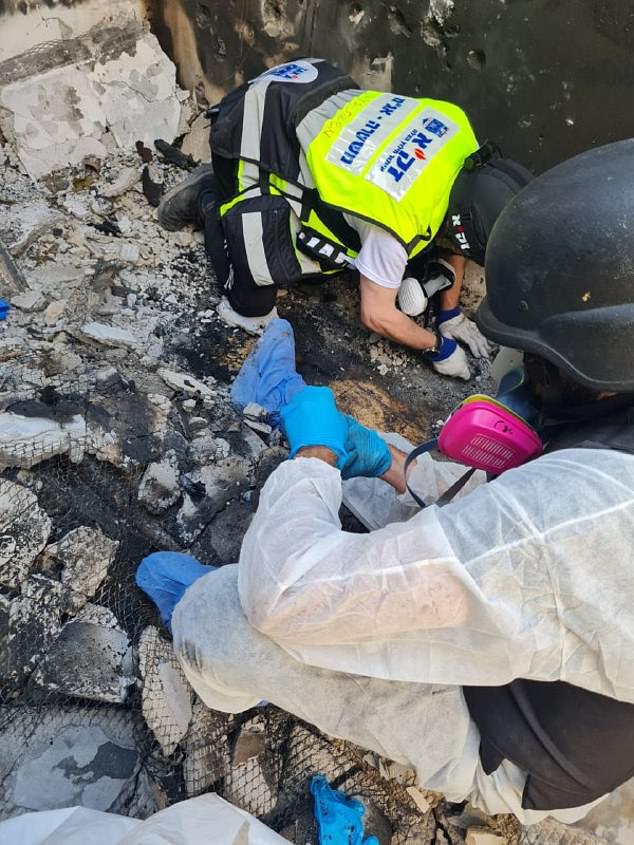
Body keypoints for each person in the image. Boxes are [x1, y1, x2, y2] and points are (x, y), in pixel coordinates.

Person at [140, 139, 634, 823]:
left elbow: (284, 591)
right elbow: (509, 502)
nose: (522, 378)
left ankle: (214, 675)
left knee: (226, 612)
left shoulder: (575, 521)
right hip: (572, 666)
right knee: (389, 477)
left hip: (510, 739)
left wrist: (313, 453)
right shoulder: (603, 452)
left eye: (539, 366)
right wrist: (391, 462)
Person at [158, 58, 532, 380]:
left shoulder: (461, 137)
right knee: (253, 307)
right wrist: (437, 346)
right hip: (252, 125)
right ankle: (211, 196)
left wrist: (450, 312)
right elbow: (376, 314)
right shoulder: (397, 217)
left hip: (315, 88)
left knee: (367, 248)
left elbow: (458, 235)